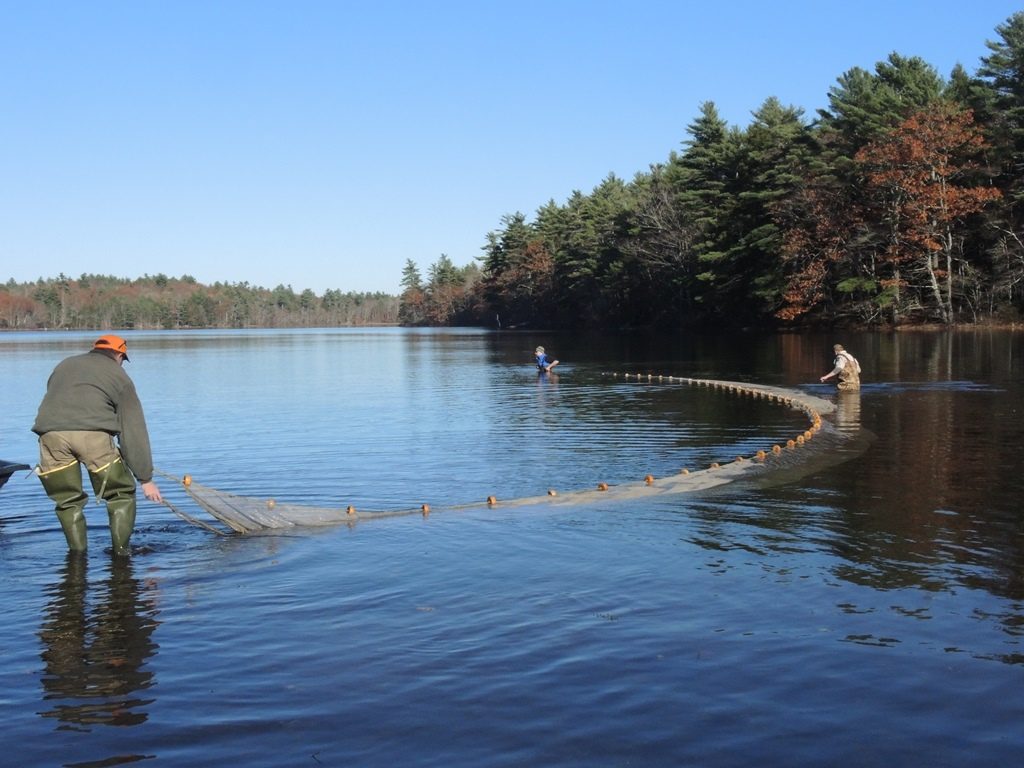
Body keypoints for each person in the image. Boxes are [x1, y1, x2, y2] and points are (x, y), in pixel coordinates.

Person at [32, 334, 162, 555]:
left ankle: (77, 556)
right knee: (120, 493)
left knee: (67, 501)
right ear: (120, 355)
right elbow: (133, 430)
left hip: (49, 436)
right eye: (123, 359)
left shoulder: (65, 365)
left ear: (96, 349)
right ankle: (121, 553)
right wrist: (145, 478)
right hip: (91, 437)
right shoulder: (119, 377)